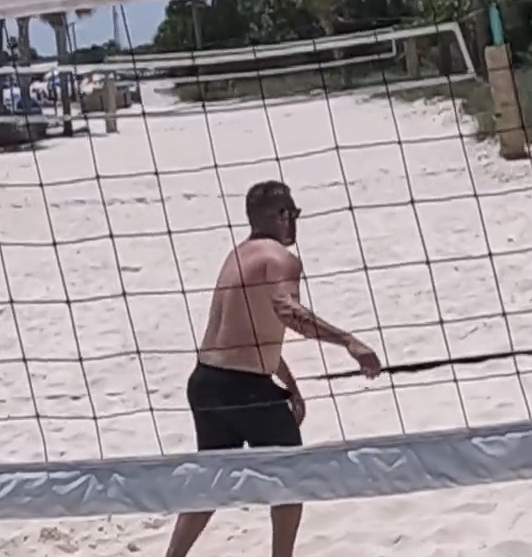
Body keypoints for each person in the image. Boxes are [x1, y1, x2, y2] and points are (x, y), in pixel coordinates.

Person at [164, 180, 382, 557]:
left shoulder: (237, 256)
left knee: (210, 484)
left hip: (205, 382)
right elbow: (289, 313)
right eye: (292, 214)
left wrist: (289, 382)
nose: (294, 222)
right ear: (281, 216)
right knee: (291, 479)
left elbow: (244, 332)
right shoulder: (282, 259)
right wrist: (349, 341)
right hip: (244, 389)